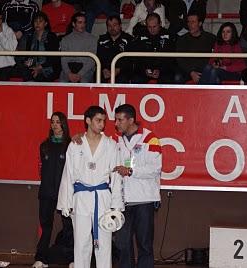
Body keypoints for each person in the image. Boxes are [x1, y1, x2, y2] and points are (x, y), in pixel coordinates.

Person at [57, 106, 124, 268]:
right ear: (88, 120)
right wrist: (66, 202)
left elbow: (116, 175)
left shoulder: (110, 145)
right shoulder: (75, 145)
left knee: (104, 243)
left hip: (102, 197)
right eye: (98, 120)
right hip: (81, 197)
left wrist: (116, 205)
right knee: (81, 242)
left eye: (104, 121)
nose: (102, 124)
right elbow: (68, 174)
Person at [113, 104, 162, 268]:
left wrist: (131, 171)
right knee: (123, 246)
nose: (116, 123)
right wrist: (78, 137)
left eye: (120, 120)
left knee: (145, 245)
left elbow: (155, 169)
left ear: (131, 120)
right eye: (116, 120)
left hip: (144, 201)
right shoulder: (115, 140)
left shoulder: (150, 138)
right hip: (122, 202)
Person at [33, 112, 73, 268]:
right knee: (45, 226)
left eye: (58, 122)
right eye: (53, 122)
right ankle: (41, 258)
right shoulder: (44, 146)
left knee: (69, 226)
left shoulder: (71, 145)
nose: (55, 125)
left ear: (63, 124)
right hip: (46, 193)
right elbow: (41, 169)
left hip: (65, 193)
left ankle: (72, 259)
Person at [129, 13, 176, 84]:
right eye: (149, 27)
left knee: (167, 79)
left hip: (164, 71)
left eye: (154, 26)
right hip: (144, 70)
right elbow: (136, 58)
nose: (152, 30)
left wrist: (160, 70)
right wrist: (145, 69)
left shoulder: (168, 36)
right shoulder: (140, 37)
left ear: (160, 24)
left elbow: (171, 59)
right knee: (136, 79)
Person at [175, 12, 216, 84]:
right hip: (187, 71)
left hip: (204, 70)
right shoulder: (182, 39)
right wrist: (191, 72)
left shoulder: (210, 38)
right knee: (177, 77)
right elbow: (180, 60)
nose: (190, 25)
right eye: (188, 22)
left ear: (200, 23)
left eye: (193, 22)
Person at [22, 11, 60, 82]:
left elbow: (54, 58)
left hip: (48, 67)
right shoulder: (30, 37)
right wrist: (27, 63)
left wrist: (40, 67)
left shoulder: (51, 37)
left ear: (45, 23)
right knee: (25, 73)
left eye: (40, 21)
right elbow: (28, 55)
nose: (37, 23)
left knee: (39, 77)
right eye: (35, 21)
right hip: (33, 66)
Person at [59, 12, 97, 83]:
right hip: (69, 68)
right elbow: (63, 60)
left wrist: (80, 74)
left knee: (84, 82)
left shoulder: (92, 39)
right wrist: (69, 73)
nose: (82, 25)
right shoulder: (65, 39)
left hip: (86, 70)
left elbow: (92, 61)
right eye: (80, 22)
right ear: (73, 24)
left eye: (84, 22)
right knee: (62, 82)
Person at [97, 15, 133, 83]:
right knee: (97, 76)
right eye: (109, 25)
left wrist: (118, 69)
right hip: (105, 70)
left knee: (122, 79)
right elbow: (99, 57)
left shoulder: (129, 39)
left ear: (120, 26)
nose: (112, 28)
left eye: (114, 25)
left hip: (122, 71)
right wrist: (104, 69)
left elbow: (130, 60)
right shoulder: (102, 39)